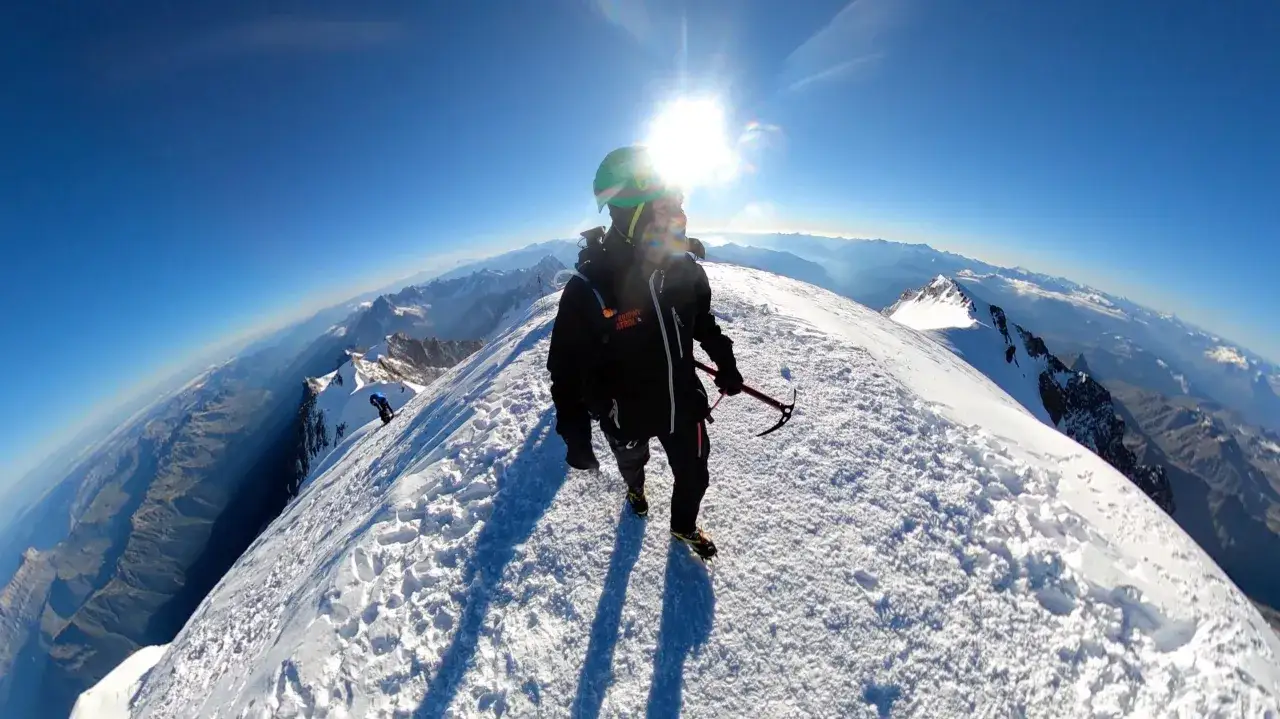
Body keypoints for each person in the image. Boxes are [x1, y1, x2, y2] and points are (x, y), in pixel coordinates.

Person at [546, 146, 743, 560]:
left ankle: (683, 528)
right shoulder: (590, 288)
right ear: (627, 214)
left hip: (682, 404)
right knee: (633, 462)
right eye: (662, 208)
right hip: (625, 411)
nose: (674, 218)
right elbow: (566, 368)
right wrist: (574, 428)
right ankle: (635, 489)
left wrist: (724, 360)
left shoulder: (684, 268)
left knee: (695, 476)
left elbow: (701, 322)